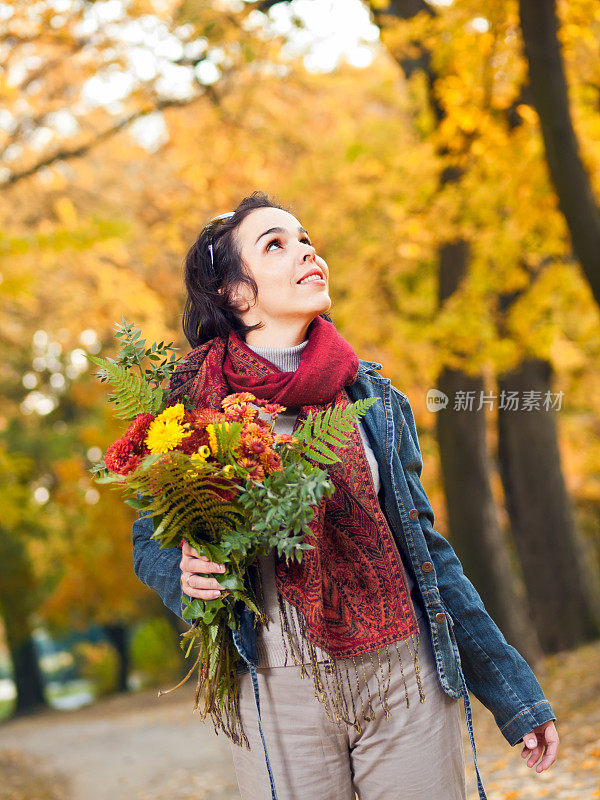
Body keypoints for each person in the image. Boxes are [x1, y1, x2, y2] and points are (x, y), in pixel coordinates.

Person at [132, 190, 559, 800]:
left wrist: (514, 696)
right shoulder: (191, 406)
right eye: (275, 244)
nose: (306, 251)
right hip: (279, 686)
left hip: (405, 680)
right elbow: (148, 539)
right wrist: (183, 570)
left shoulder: (374, 400)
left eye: (305, 239)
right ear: (235, 293)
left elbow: (429, 556)